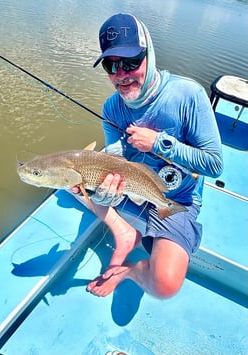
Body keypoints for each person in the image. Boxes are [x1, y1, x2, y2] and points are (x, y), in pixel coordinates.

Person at [73, 13, 223, 299]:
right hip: (132, 186)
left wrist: (160, 144)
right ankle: (123, 232)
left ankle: (129, 271)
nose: (121, 75)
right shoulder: (111, 108)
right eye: (111, 65)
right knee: (71, 180)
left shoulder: (187, 95)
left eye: (130, 62)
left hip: (175, 197)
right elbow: (114, 159)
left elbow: (214, 164)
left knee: (164, 285)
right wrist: (108, 195)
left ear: (150, 55)